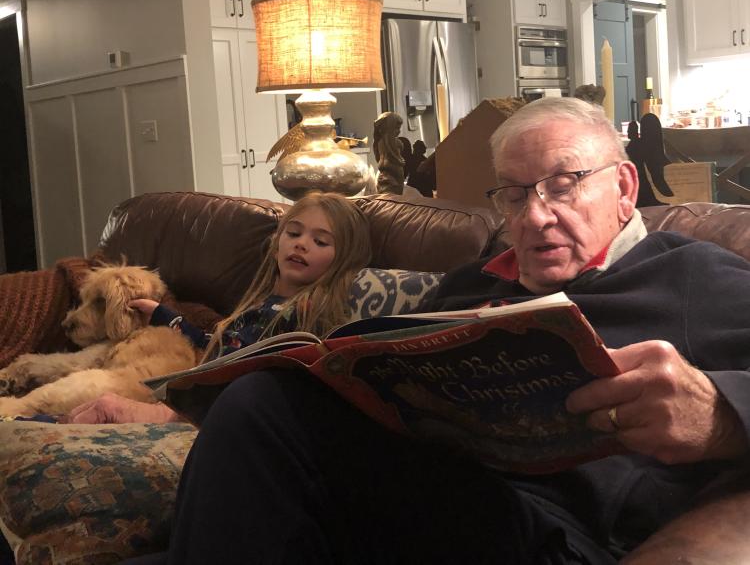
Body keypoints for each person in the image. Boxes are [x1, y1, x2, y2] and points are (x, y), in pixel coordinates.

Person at [124, 97, 750, 565]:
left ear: (623, 187)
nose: (536, 216)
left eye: (564, 185)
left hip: (554, 532)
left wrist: (722, 412)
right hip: (421, 504)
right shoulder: (469, 286)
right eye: (513, 195)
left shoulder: (688, 274)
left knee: (265, 407)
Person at [65, 191, 371, 424]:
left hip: (202, 417)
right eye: (294, 233)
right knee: (79, 411)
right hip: (191, 399)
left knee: (105, 406)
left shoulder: (305, 313)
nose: (301, 244)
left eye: (320, 242)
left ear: (342, 259)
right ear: (277, 242)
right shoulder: (261, 302)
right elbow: (217, 349)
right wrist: (162, 315)